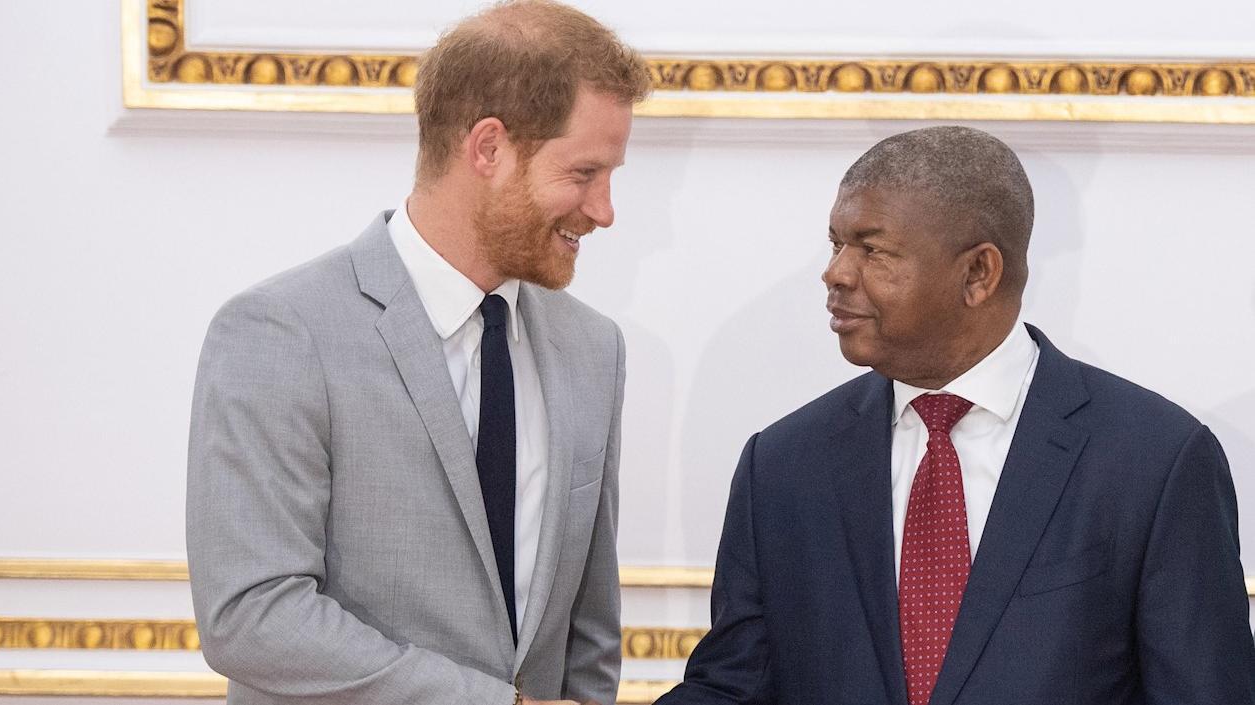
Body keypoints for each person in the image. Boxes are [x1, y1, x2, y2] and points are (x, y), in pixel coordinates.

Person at [656, 126, 1255, 705]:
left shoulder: (1154, 462)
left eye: (872, 249)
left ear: (977, 273)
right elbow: (735, 687)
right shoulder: (782, 464)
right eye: (837, 243)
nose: (836, 272)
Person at [186, 3, 650, 704]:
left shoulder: (594, 348)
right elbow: (251, 616)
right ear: (488, 149)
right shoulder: (279, 332)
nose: (605, 210)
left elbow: (588, 631)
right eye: (584, 172)